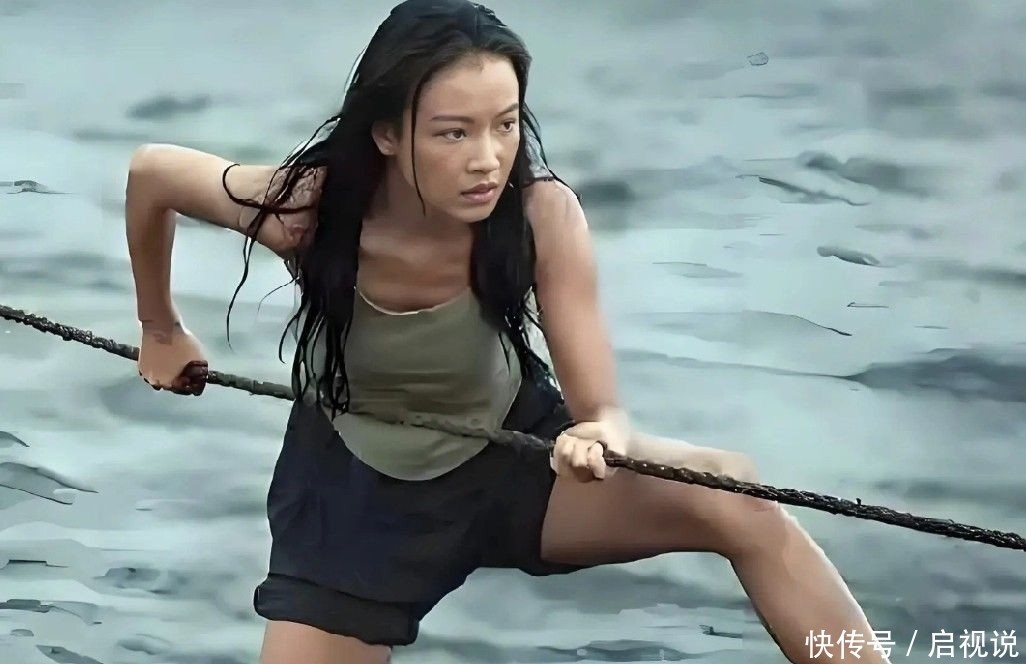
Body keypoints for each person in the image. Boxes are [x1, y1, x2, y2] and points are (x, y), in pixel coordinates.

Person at [124, 1, 891, 662]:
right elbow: (153, 173)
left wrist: (599, 437)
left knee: (736, 497)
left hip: (512, 458)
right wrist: (160, 327)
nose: (487, 160)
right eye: (453, 134)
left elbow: (601, 409)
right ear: (387, 134)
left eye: (505, 125)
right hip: (353, 502)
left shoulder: (540, 216)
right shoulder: (308, 210)